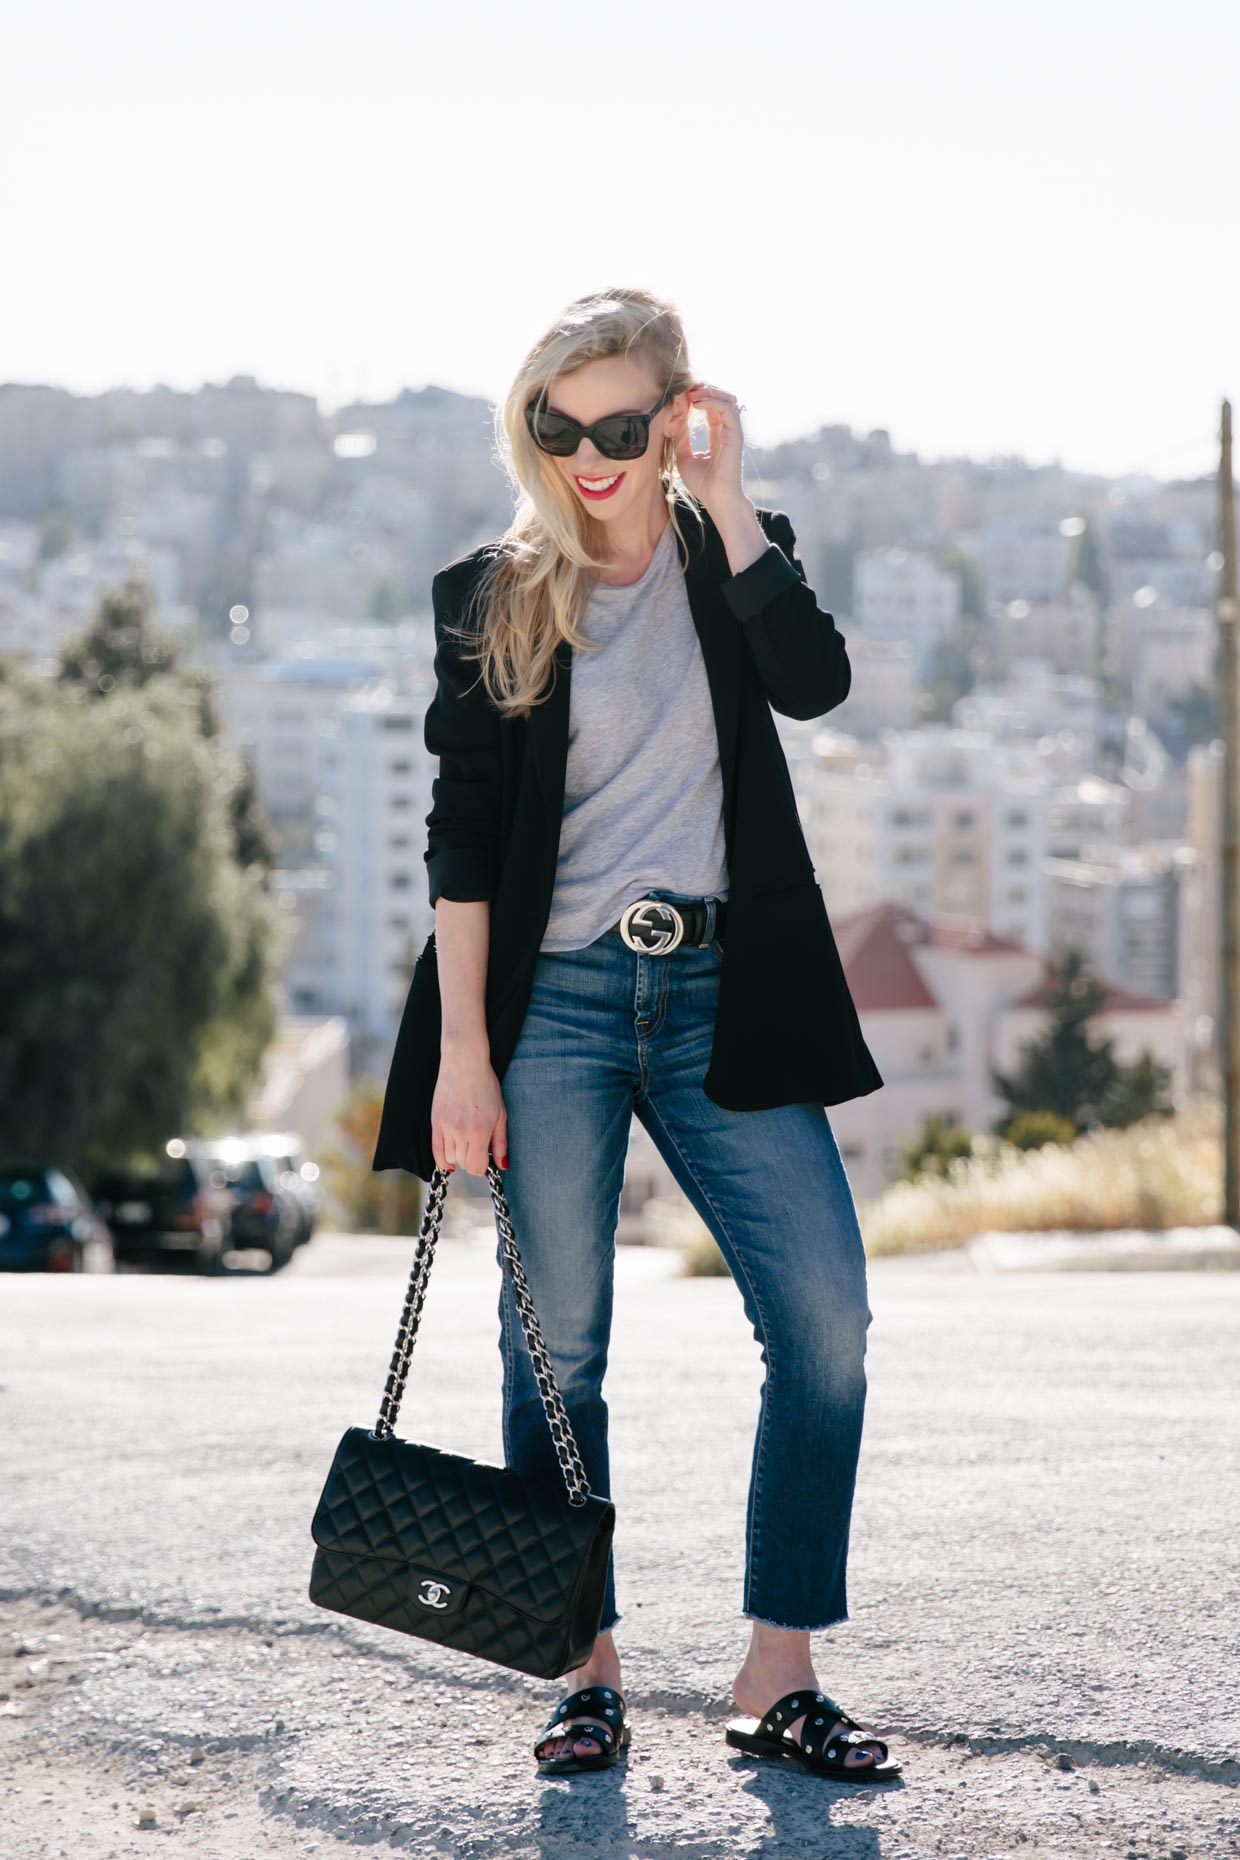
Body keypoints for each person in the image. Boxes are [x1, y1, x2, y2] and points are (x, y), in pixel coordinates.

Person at [380, 286, 900, 1783]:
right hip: (552, 1008)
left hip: (723, 993)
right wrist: (465, 1056)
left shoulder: (735, 559)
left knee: (827, 1327)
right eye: (563, 424)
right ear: (530, 422)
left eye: (625, 427)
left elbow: (818, 682)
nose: (592, 456)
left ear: (674, 418)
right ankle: (582, 1669)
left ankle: (776, 1675)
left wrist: (729, 505)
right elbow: (462, 841)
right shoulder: (493, 592)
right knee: (560, 1349)